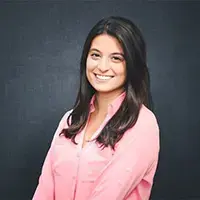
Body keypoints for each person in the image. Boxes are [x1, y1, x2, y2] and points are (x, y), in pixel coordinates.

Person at [32, 16, 160, 200]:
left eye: (116, 58)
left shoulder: (142, 124)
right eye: (95, 55)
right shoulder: (70, 120)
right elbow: (44, 190)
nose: (102, 67)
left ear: (132, 64)